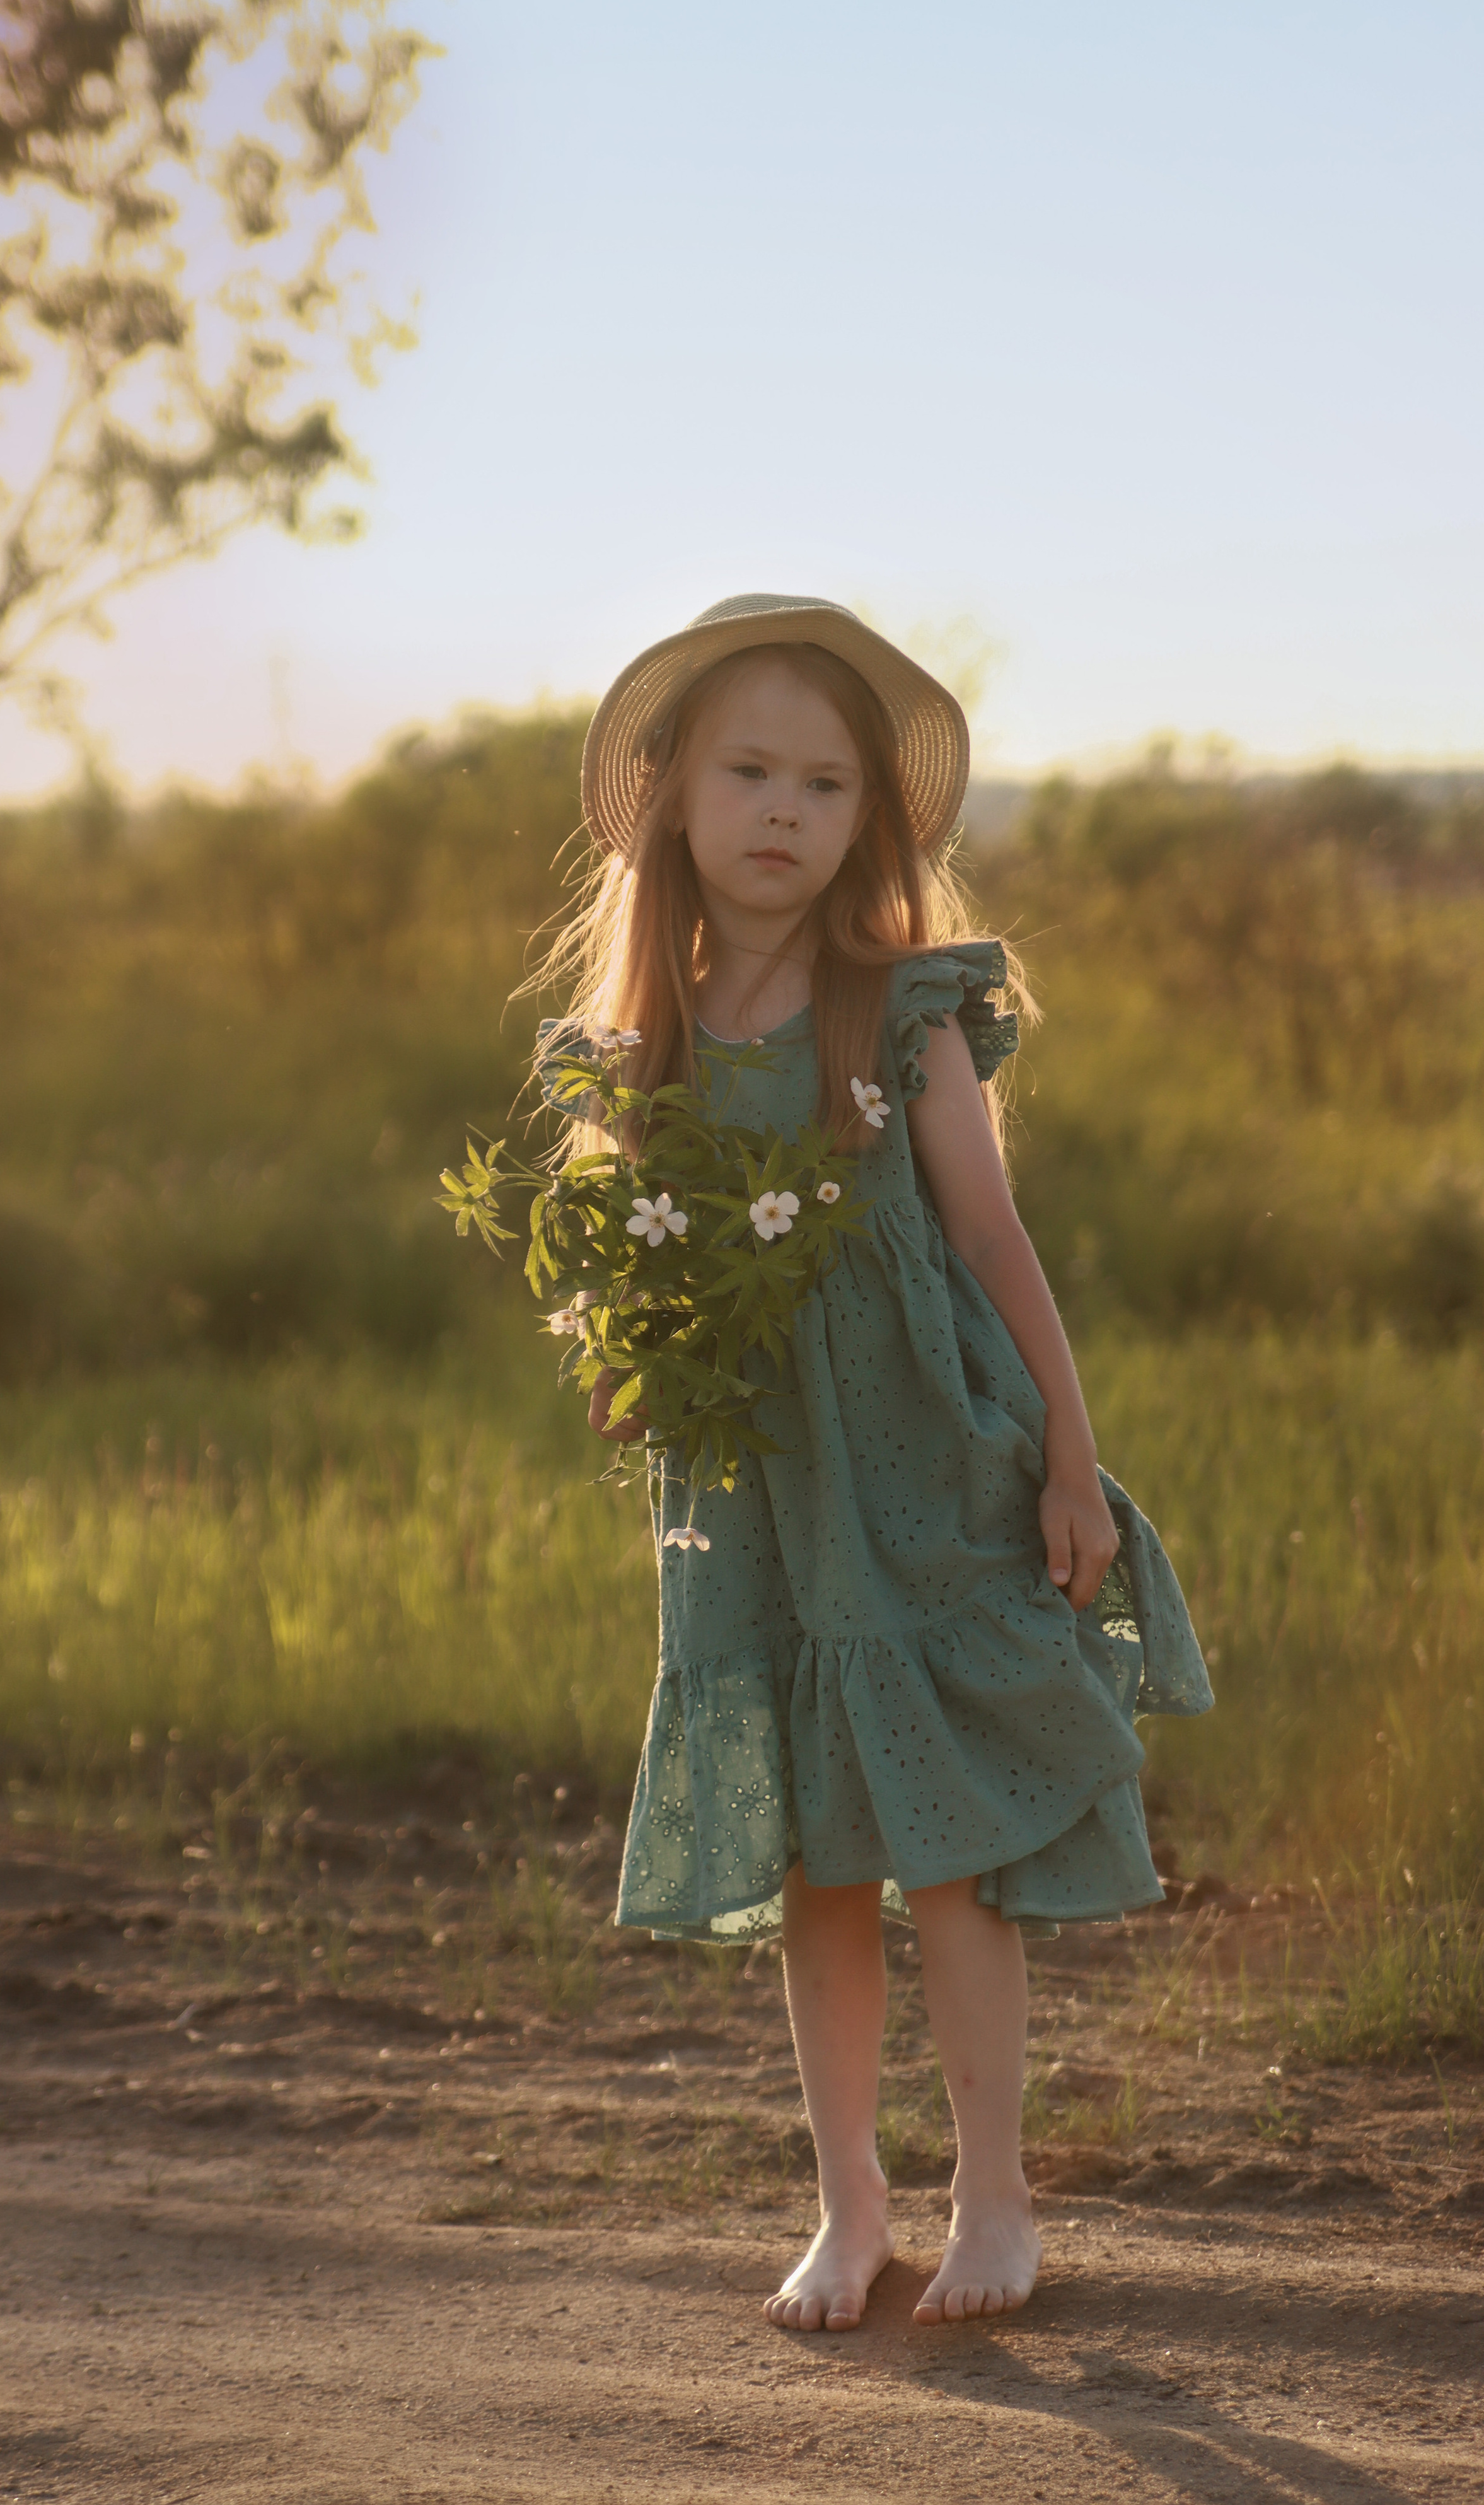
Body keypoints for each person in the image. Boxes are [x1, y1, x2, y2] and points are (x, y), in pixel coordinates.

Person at [535, 594, 1212, 2333]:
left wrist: (1073, 1459)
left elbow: (991, 1237)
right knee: (819, 1864)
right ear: (674, 797)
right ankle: (852, 2208)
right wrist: (629, 1374)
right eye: (751, 772)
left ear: (868, 823)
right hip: (757, 1493)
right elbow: (634, 1277)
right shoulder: (648, 1035)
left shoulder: (900, 1010)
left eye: (826, 785)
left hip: (917, 1468)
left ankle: (998, 2197)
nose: (785, 812)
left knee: (946, 1848)